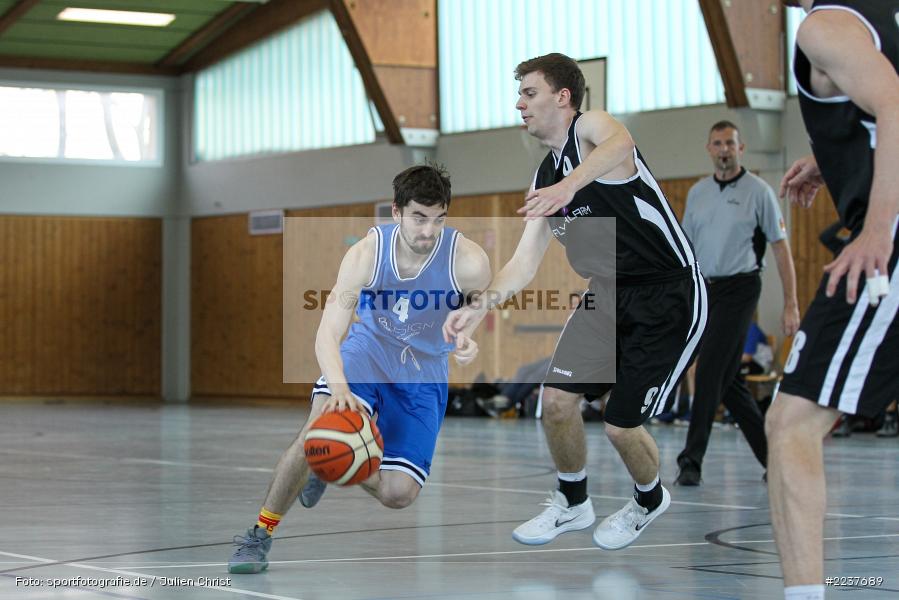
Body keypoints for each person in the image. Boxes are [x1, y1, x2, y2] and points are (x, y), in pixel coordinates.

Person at [444, 53, 707, 550]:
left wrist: (568, 186)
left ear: (562, 97)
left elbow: (621, 143)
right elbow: (523, 264)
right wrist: (475, 311)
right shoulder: (543, 180)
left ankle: (649, 499)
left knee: (621, 426)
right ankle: (572, 502)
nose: (519, 103)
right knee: (557, 402)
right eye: (520, 93)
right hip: (605, 295)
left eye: (529, 92)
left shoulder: (592, 126)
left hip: (668, 291)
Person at [227, 164, 491, 574]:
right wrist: (339, 388)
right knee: (316, 429)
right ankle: (259, 534)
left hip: (422, 373)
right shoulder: (366, 255)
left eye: (438, 219)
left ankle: (331, 463)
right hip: (367, 353)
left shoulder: (469, 260)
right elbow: (327, 334)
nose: (428, 230)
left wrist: (468, 338)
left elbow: (476, 309)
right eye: (419, 217)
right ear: (396, 212)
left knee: (397, 493)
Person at [771, 2, 899, 599]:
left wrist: (876, 227)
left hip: (890, 237)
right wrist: (835, 156)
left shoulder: (823, 25)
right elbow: (879, 105)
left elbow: (896, 104)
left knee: (792, 422)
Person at [674, 121, 800, 486]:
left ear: (741, 148)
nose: (724, 149)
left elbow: (780, 248)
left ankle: (691, 460)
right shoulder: (697, 193)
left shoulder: (758, 191)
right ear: (709, 148)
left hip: (741, 288)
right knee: (729, 382)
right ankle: (773, 460)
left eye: (730, 143)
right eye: (717, 143)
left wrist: (790, 304)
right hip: (706, 290)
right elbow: (687, 249)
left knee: (710, 368)